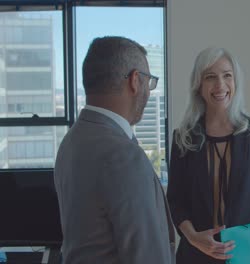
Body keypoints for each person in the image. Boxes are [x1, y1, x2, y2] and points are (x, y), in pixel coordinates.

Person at [54, 36, 175, 264]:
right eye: (149, 81)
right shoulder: (123, 155)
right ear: (135, 80)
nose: (149, 92)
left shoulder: (71, 141)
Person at [167, 47, 250, 263]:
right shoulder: (183, 138)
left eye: (227, 75)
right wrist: (194, 237)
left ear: (236, 82)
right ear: (199, 85)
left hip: (247, 255)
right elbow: (175, 201)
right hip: (195, 255)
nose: (220, 85)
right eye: (210, 77)